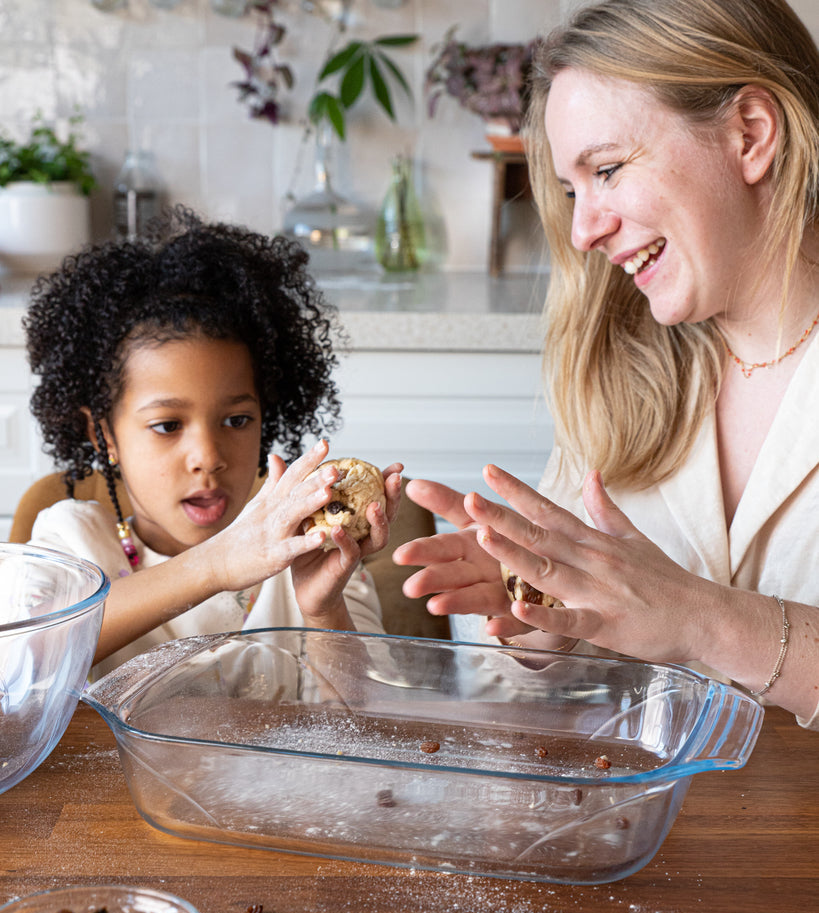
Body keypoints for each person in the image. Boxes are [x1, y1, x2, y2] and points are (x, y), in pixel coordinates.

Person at [394, 0, 819, 729]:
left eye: (609, 169)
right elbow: (557, 700)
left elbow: (677, 620)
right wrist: (539, 623)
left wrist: (702, 619)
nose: (584, 229)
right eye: (570, 191)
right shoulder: (618, 371)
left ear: (748, 134)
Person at [24, 207, 402, 680]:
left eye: (237, 419)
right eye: (167, 426)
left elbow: (374, 728)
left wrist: (324, 612)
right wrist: (215, 564)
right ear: (103, 434)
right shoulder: (72, 545)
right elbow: (23, 665)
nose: (208, 457)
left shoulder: (311, 549)